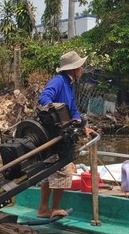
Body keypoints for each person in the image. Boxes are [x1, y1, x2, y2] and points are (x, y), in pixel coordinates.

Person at [37, 50, 91, 218]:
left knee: (48, 172)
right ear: (73, 69)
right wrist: (57, 113)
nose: (82, 70)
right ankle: (53, 209)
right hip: (53, 135)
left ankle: (43, 209)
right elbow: (44, 98)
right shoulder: (59, 81)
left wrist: (83, 127)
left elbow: (73, 109)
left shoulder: (69, 84)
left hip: (60, 133)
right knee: (63, 171)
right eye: (80, 67)